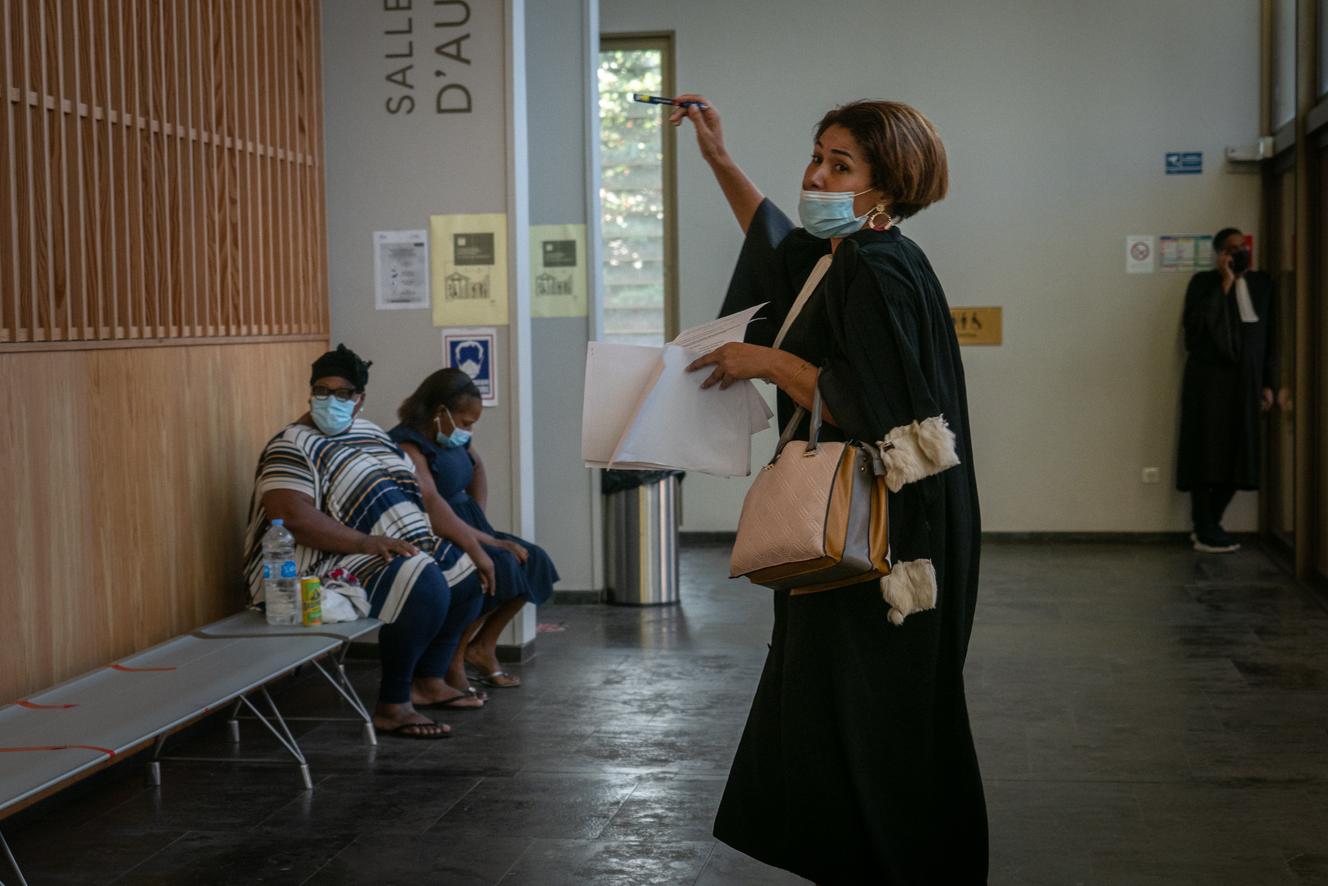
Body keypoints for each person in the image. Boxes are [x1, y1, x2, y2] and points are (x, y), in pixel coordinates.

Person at [674, 95, 988, 883]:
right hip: (859, 520)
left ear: (887, 184)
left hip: (886, 537)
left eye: (839, 165)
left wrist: (769, 363)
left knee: (869, 707)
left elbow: (883, 408)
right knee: (836, 702)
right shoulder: (837, 253)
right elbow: (773, 235)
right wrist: (717, 156)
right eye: (817, 156)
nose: (816, 175)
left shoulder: (878, 267)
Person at [242, 344, 496, 739]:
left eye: (343, 394)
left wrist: (477, 547)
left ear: (359, 400)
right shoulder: (291, 443)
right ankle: (394, 704)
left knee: (466, 577)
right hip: (317, 563)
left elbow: (426, 497)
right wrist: (365, 542)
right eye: (322, 391)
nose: (331, 400)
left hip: (382, 546)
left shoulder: (371, 433)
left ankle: (428, 681)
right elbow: (290, 517)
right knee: (422, 582)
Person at [389, 368, 560, 689]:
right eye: (466, 422)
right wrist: (483, 540)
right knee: (501, 565)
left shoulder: (453, 435)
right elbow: (431, 507)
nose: (468, 430)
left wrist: (477, 516)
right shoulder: (408, 445)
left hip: (468, 522)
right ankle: (453, 659)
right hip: (434, 530)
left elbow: (476, 467)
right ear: (440, 412)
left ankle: (482, 647)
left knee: (533, 560)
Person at [1177, 229, 1282, 553]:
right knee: (1204, 450)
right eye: (1230, 249)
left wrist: (1269, 382)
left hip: (1246, 380)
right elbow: (1194, 332)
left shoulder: (1263, 284)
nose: (1237, 253)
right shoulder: (1202, 282)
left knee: (1242, 451)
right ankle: (1205, 528)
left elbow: (1271, 337)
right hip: (1208, 380)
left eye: (1242, 247)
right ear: (1219, 253)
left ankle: (1210, 524)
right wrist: (1224, 281)